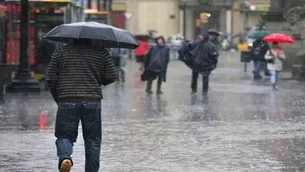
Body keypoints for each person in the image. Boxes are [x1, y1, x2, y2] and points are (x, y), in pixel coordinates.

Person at [46, 38, 117, 172]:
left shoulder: (61, 51)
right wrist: (96, 79)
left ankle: (65, 158)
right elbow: (112, 76)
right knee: (93, 140)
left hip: (67, 99)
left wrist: (59, 97)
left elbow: (51, 77)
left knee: (64, 135)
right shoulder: (101, 52)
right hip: (92, 100)